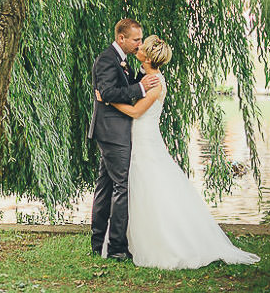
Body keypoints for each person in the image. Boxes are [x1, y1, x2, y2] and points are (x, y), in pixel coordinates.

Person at [110, 35, 260, 269]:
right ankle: (137, 237)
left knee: (151, 186)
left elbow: (137, 111)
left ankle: (166, 242)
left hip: (145, 138)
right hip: (140, 137)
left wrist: (109, 100)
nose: (137, 48)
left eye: (142, 48)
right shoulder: (148, 76)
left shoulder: (156, 82)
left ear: (148, 57)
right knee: (145, 185)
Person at [87, 18, 161, 259]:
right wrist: (139, 88)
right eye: (136, 40)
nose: (140, 44)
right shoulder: (107, 59)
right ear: (122, 38)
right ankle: (117, 248)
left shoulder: (122, 60)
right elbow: (107, 92)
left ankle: (99, 243)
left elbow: (118, 88)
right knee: (122, 185)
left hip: (115, 130)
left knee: (106, 185)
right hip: (112, 131)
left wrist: (138, 83)